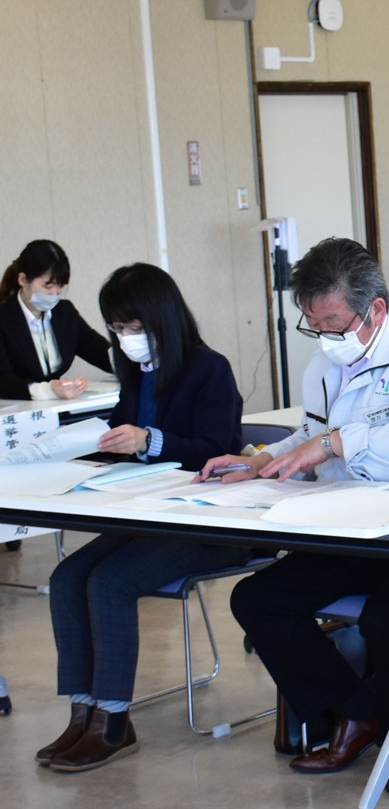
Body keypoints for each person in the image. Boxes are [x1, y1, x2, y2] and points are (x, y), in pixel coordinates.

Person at [206, 237, 389, 800]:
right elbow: (311, 435)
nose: (325, 337)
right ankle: (357, 716)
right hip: (358, 532)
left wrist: (337, 444)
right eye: (313, 325)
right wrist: (261, 460)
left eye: (333, 323)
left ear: (375, 309)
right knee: (258, 600)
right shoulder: (326, 364)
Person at [35, 263, 244, 771]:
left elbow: (218, 450)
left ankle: (112, 721)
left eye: (133, 328)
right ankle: (82, 711)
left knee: (108, 583)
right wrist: (90, 445)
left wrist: (150, 441)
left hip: (207, 522)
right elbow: (122, 434)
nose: (126, 339)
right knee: (66, 578)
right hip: (147, 515)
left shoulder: (208, 369)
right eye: (117, 329)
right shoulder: (135, 371)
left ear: (162, 319)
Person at [0, 239, 114, 401]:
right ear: (23, 280)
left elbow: (98, 351)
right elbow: (3, 381)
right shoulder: (4, 318)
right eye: (47, 286)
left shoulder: (65, 313)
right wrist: (48, 390)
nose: (54, 293)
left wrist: (131, 365)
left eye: (61, 286)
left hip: (56, 406)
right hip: (15, 407)